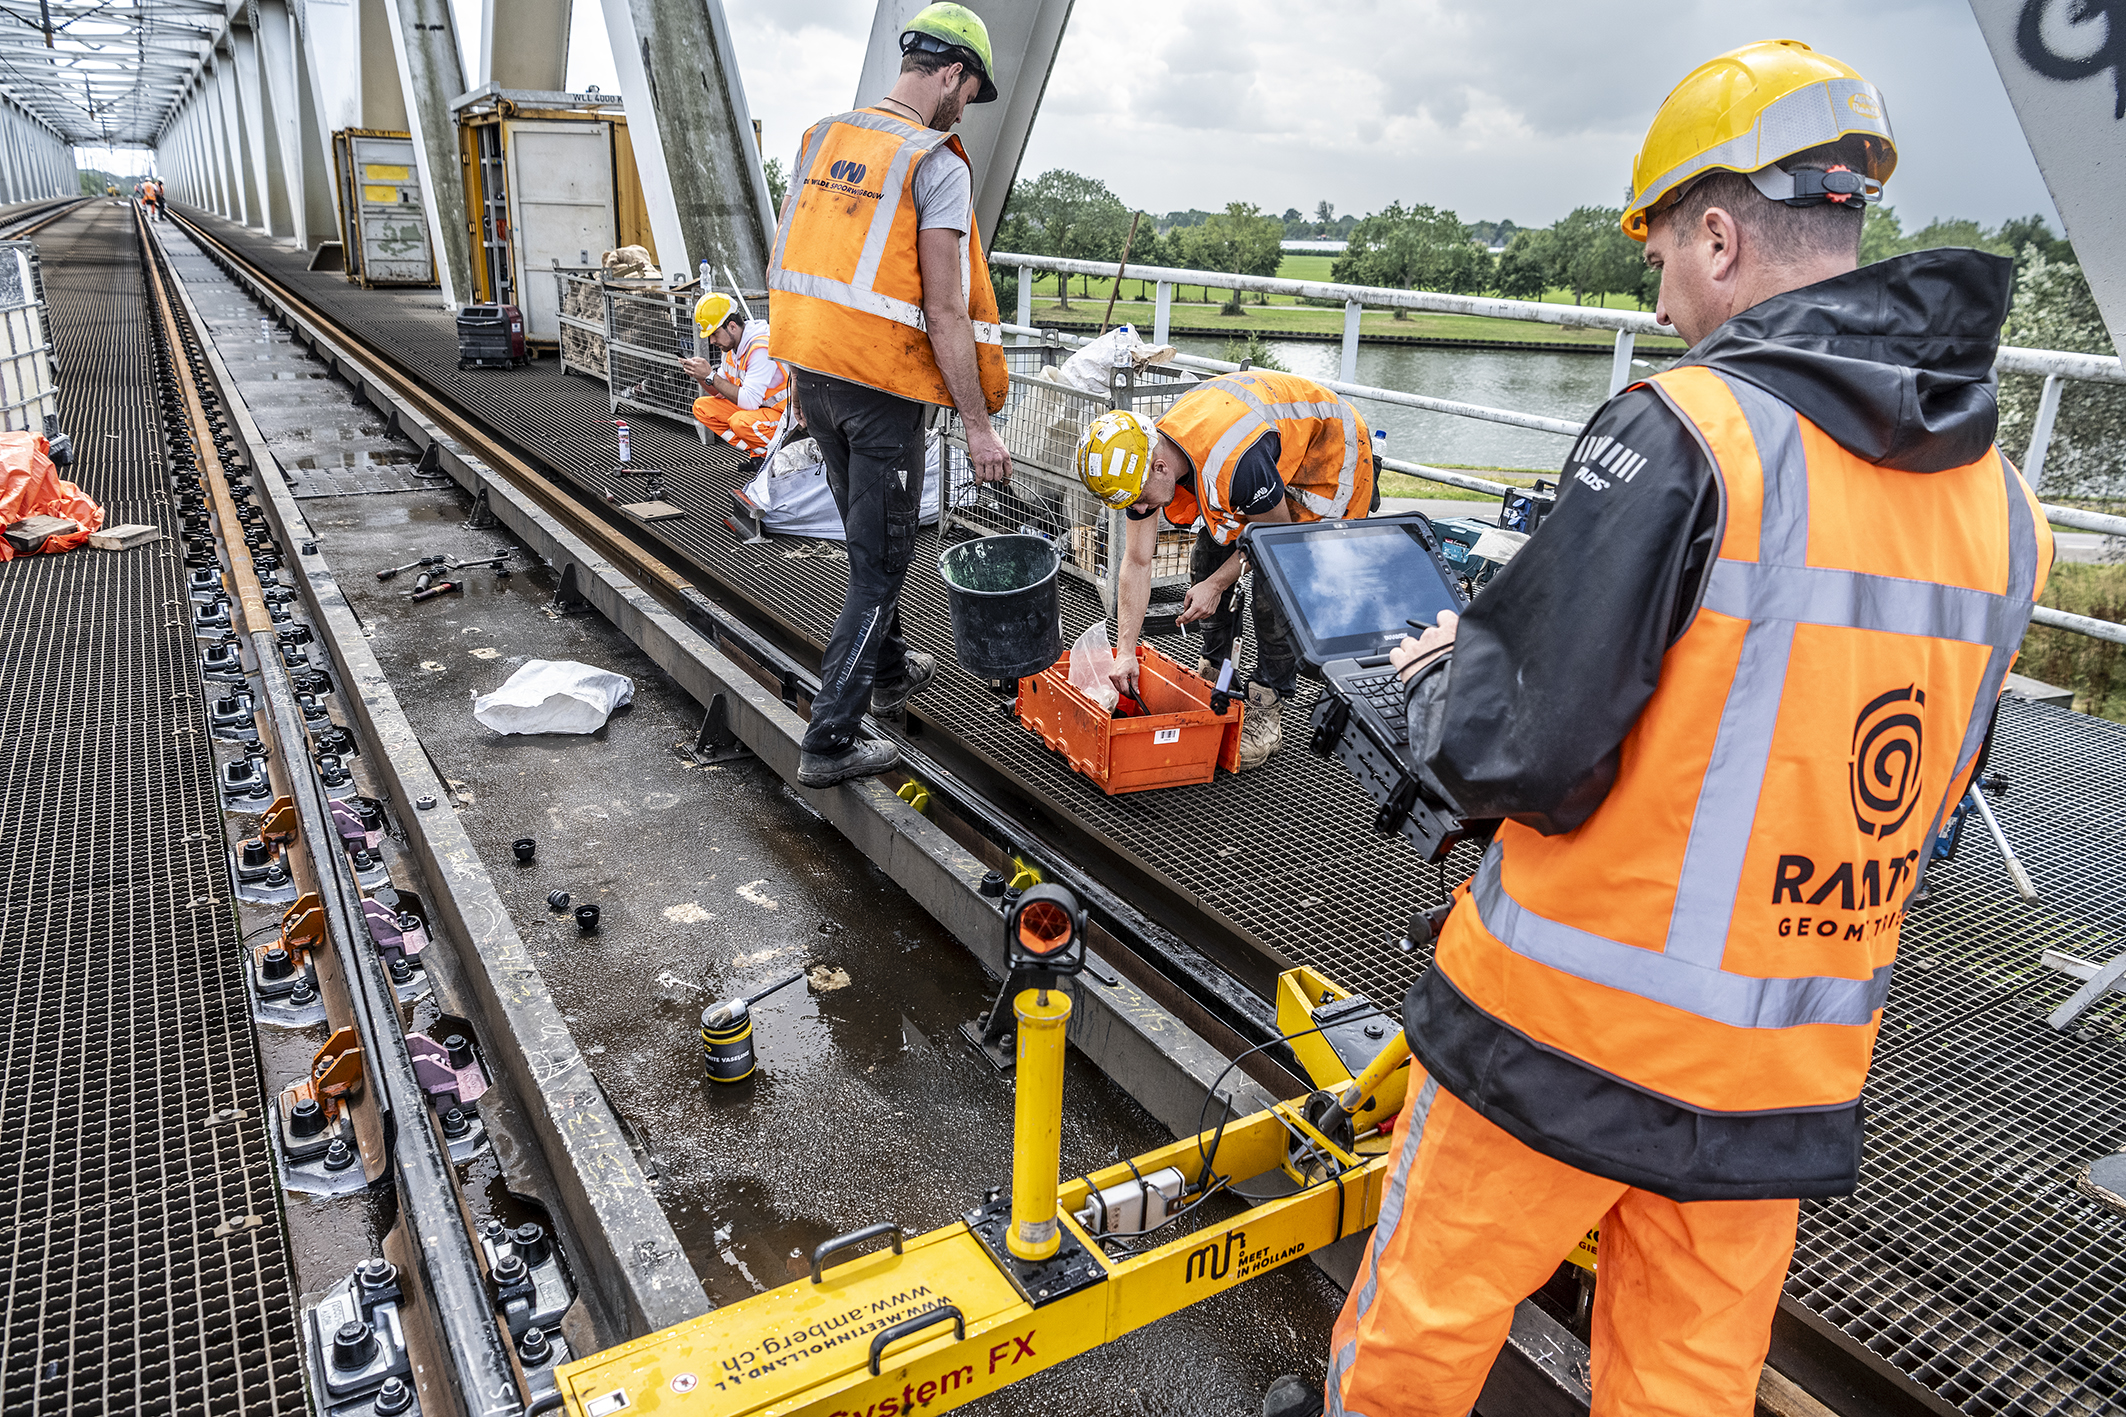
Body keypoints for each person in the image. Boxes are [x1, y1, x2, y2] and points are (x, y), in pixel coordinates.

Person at [1286, 40, 2053, 1417]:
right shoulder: (2003, 507)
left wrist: (1439, 676)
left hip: (1554, 1042)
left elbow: (1512, 752)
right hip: (1777, 1073)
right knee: (1686, 1385)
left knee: (1420, 1333)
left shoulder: (1686, 430)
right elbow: (1920, 797)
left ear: (1715, 236)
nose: (1656, 291)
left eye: (1656, 252)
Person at [768, 0, 1011, 790]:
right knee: (879, 567)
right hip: (880, 394)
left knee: (870, 538)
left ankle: (894, 666)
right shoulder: (934, 162)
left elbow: (802, 261)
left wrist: (796, 378)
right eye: (969, 92)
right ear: (951, 74)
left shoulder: (823, 136)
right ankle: (830, 738)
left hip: (814, 377)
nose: (965, 109)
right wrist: (978, 426)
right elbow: (945, 308)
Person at [1073, 371, 1373, 768]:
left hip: (1328, 454)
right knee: (1207, 556)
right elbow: (1137, 560)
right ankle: (1216, 671)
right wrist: (1125, 651)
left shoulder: (1235, 464)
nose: (1140, 509)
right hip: (1262, 455)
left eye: (1140, 500)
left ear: (1161, 468)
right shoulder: (1145, 459)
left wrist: (1216, 586)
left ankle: (1267, 702)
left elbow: (1275, 539)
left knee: (1277, 583)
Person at [680, 291, 787, 457]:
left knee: (740, 422)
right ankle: (757, 452)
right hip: (762, 410)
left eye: (714, 334)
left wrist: (710, 376)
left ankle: (776, 456)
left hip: (786, 416)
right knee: (702, 408)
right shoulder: (731, 348)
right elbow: (720, 392)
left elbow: (750, 401)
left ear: (732, 326)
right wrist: (700, 375)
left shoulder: (761, 349)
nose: (712, 341)